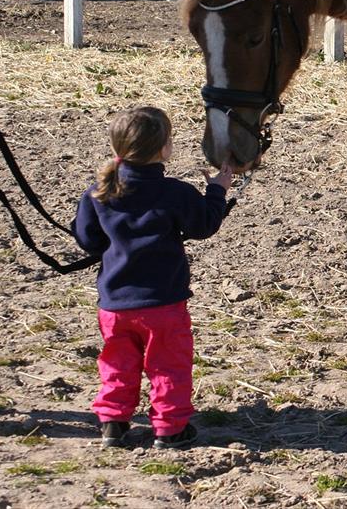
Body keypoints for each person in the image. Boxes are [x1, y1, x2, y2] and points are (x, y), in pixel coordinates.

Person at [72, 106, 232, 449]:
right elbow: (204, 225)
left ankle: (113, 423)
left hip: (113, 304)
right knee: (168, 365)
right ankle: (170, 428)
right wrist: (218, 190)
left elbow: (88, 241)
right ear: (164, 150)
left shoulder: (98, 193)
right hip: (164, 303)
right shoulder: (176, 192)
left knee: (117, 363)